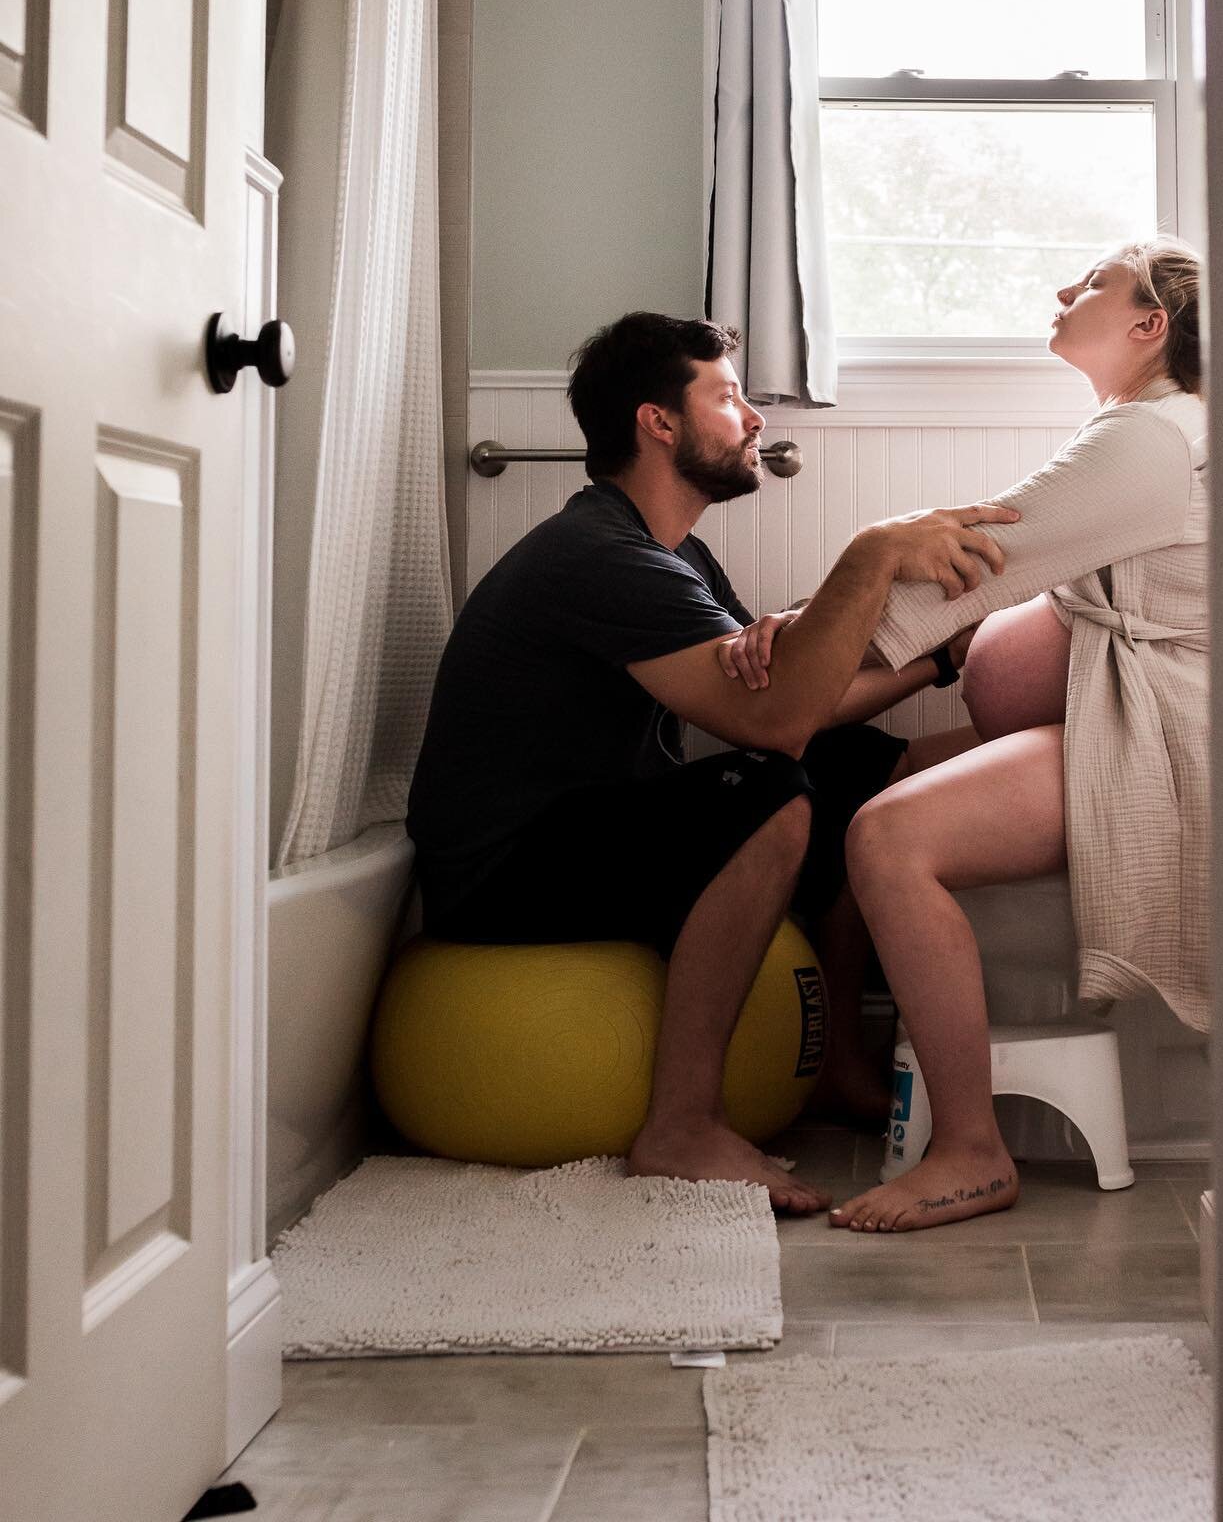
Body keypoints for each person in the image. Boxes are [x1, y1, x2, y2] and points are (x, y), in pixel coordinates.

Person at [406, 312, 1019, 1214]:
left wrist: (939, 660)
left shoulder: (675, 553)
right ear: (659, 423)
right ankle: (681, 1126)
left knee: (847, 774)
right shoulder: (602, 556)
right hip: (503, 870)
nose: (754, 418)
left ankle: (841, 1066)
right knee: (769, 790)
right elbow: (773, 727)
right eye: (727, 396)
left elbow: (799, 710)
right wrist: (877, 550)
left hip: (586, 830)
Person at [811, 238, 1210, 1233]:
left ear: (1148, 325)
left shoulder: (1151, 441)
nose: (1064, 292)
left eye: (1093, 284)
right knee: (874, 792)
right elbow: (984, 545)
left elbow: (978, 558)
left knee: (889, 838)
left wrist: (801, 637)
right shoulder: (1150, 428)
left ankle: (970, 1151)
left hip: (1156, 740)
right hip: (1115, 716)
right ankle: (848, 1069)